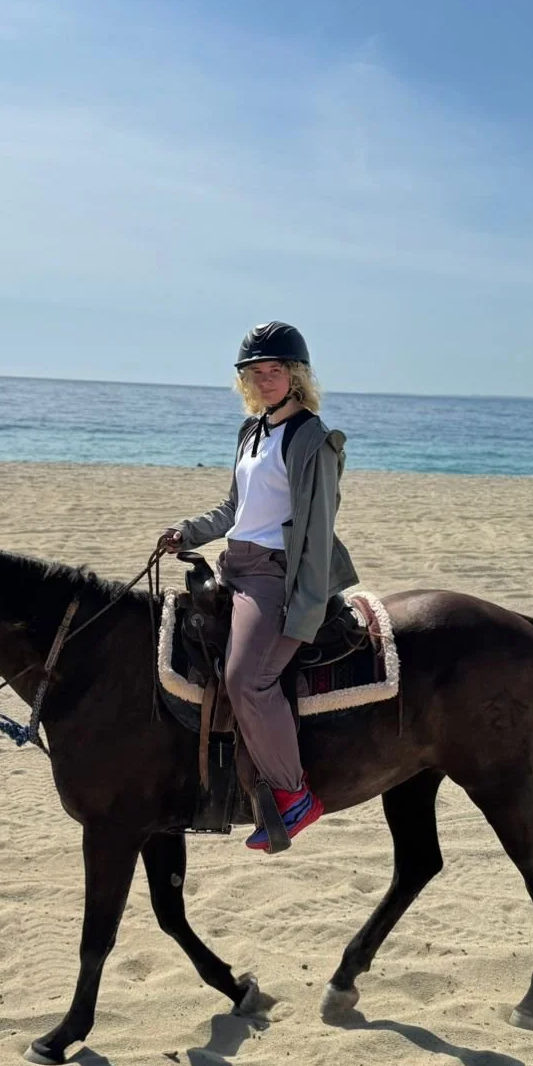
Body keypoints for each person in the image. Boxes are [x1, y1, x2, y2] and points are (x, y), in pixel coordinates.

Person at [159, 322, 358, 850]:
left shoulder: (312, 439)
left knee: (248, 680)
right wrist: (188, 531)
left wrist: (305, 602)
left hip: (276, 575)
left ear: (296, 376)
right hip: (235, 564)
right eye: (256, 372)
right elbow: (234, 508)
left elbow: (318, 529)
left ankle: (294, 797)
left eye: (276, 371)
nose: (265, 380)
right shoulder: (252, 431)